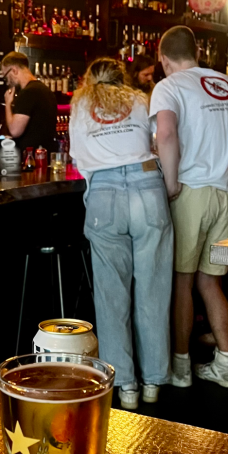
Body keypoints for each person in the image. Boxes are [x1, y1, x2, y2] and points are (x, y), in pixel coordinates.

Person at [149, 25, 228, 389]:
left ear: (163, 59)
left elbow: (166, 134)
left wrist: (171, 181)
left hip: (192, 191)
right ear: (196, 53)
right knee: (211, 282)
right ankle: (226, 364)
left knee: (183, 282)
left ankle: (181, 367)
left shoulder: (169, 86)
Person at [70, 57, 171, 408]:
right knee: (153, 288)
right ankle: (155, 381)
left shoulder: (79, 103)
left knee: (112, 298)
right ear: (121, 78)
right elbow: (158, 140)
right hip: (148, 186)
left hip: (104, 194)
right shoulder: (142, 99)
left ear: (88, 80)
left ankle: (125, 386)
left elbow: (78, 159)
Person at [0, 51, 57, 156]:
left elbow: (14, 130)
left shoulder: (28, 93)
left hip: (31, 161)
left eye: (6, 77)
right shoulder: (45, 90)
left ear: (14, 70)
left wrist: (8, 103)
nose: (7, 82)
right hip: (45, 157)